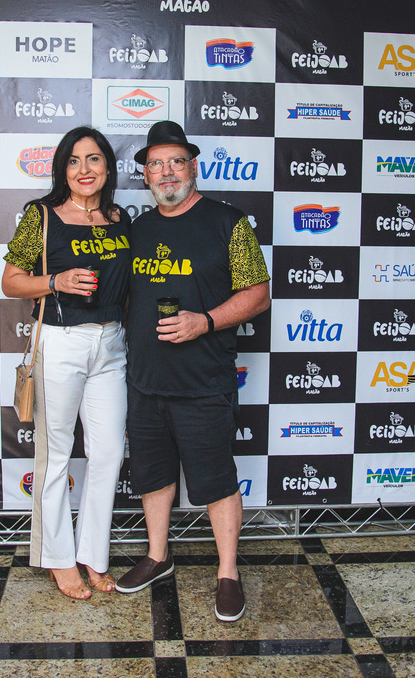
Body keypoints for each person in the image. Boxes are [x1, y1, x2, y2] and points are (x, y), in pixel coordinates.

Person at [114, 120, 271, 622]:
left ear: (193, 167)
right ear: (145, 175)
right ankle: (158, 556)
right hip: (144, 381)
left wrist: (204, 321)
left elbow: (258, 294)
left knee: (217, 480)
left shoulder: (228, 222)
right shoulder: (137, 230)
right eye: (156, 164)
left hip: (204, 382)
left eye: (176, 161)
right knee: (153, 475)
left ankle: (228, 573)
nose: (167, 172)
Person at [2, 126, 129, 600]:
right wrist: (55, 281)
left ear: (108, 167)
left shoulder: (119, 218)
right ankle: (58, 558)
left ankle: (93, 554)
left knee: (108, 453)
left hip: (111, 344)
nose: (84, 169)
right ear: (62, 169)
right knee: (56, 455)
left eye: (93, 159)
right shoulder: (41, 216)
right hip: (60, 341)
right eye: (74, 161)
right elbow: (11, 281)